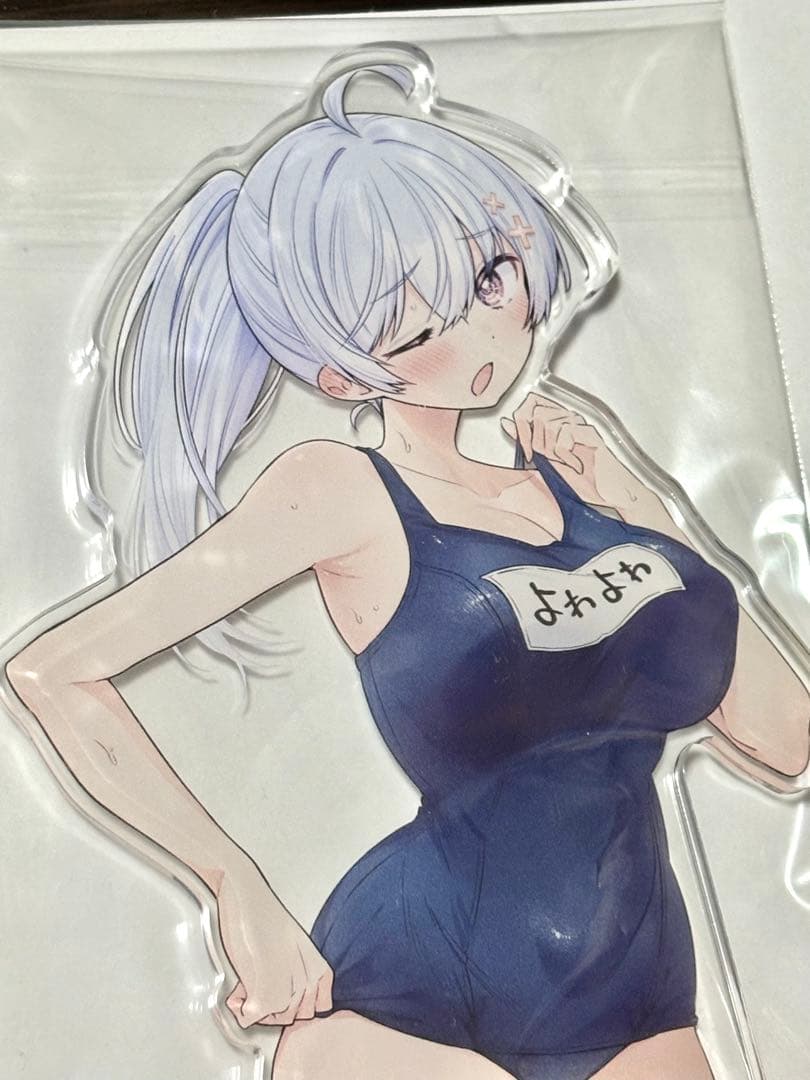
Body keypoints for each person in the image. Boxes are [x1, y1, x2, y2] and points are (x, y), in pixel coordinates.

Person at [5, 56, 809, 1080]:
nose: (483, 333)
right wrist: (234, 884)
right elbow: (53, 670)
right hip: (415, 989)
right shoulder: (341, 490)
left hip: (636, 984)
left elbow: (784, 736)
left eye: (489, 281)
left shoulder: (589, 500)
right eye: (422, 327)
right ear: (341, 373)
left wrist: (641, 507)